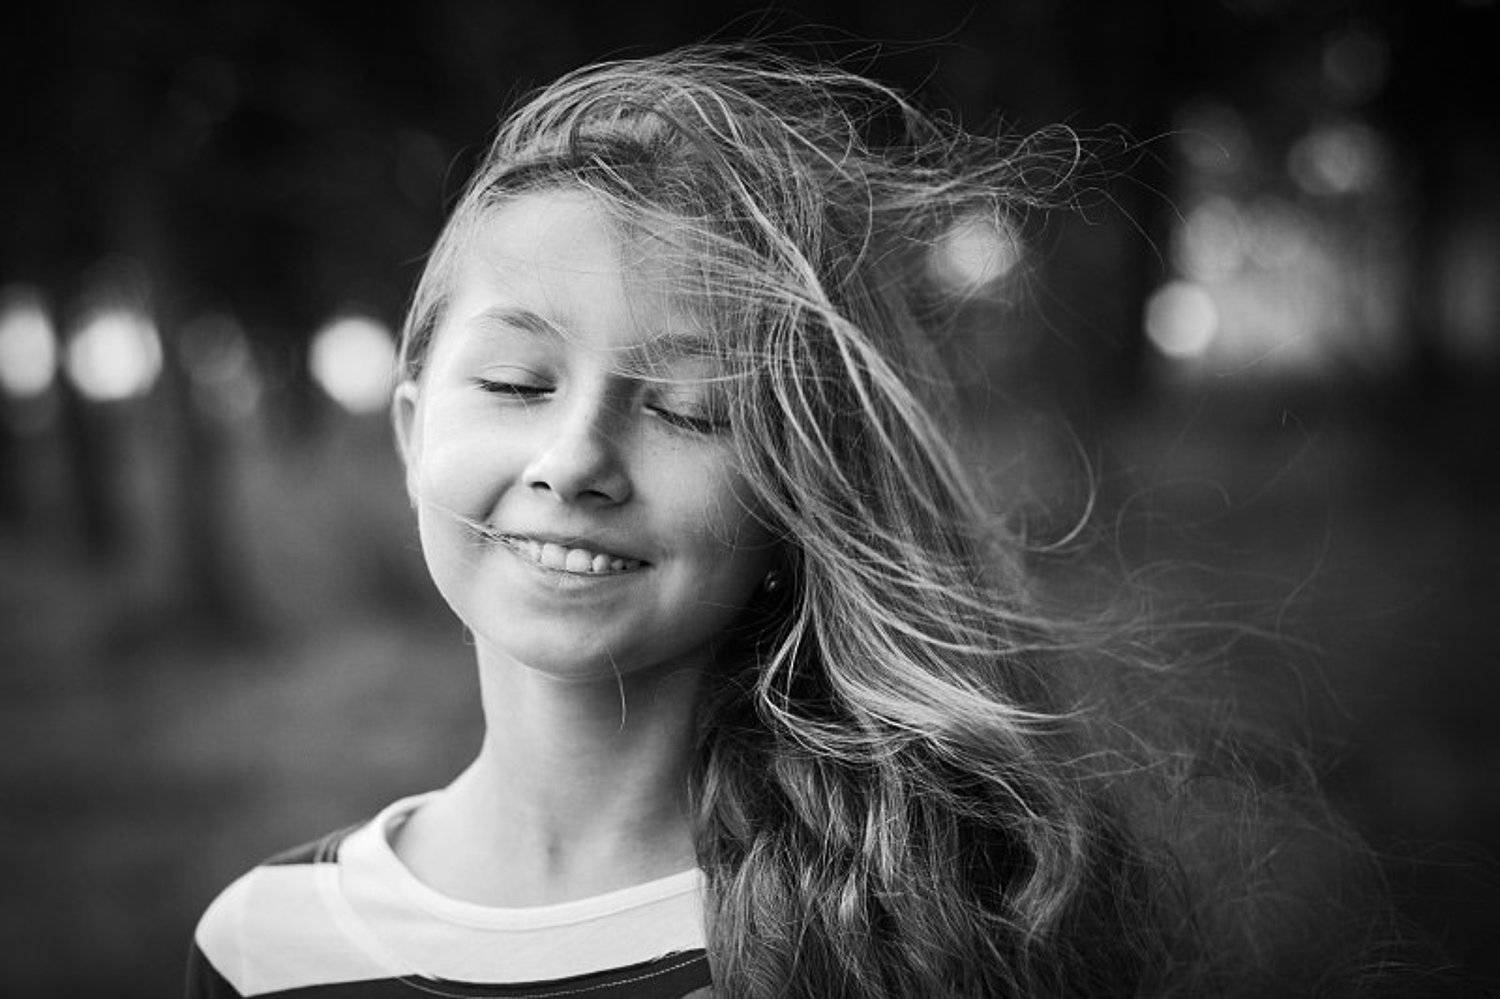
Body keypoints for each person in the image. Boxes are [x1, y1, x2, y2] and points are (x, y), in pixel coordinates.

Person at [187, 46, 1391, 998]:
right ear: (411, 430)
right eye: (515, 383)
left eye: (691, 409)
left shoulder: (935, 929)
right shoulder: (263, 944)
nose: (577, 460)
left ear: (798, 489)